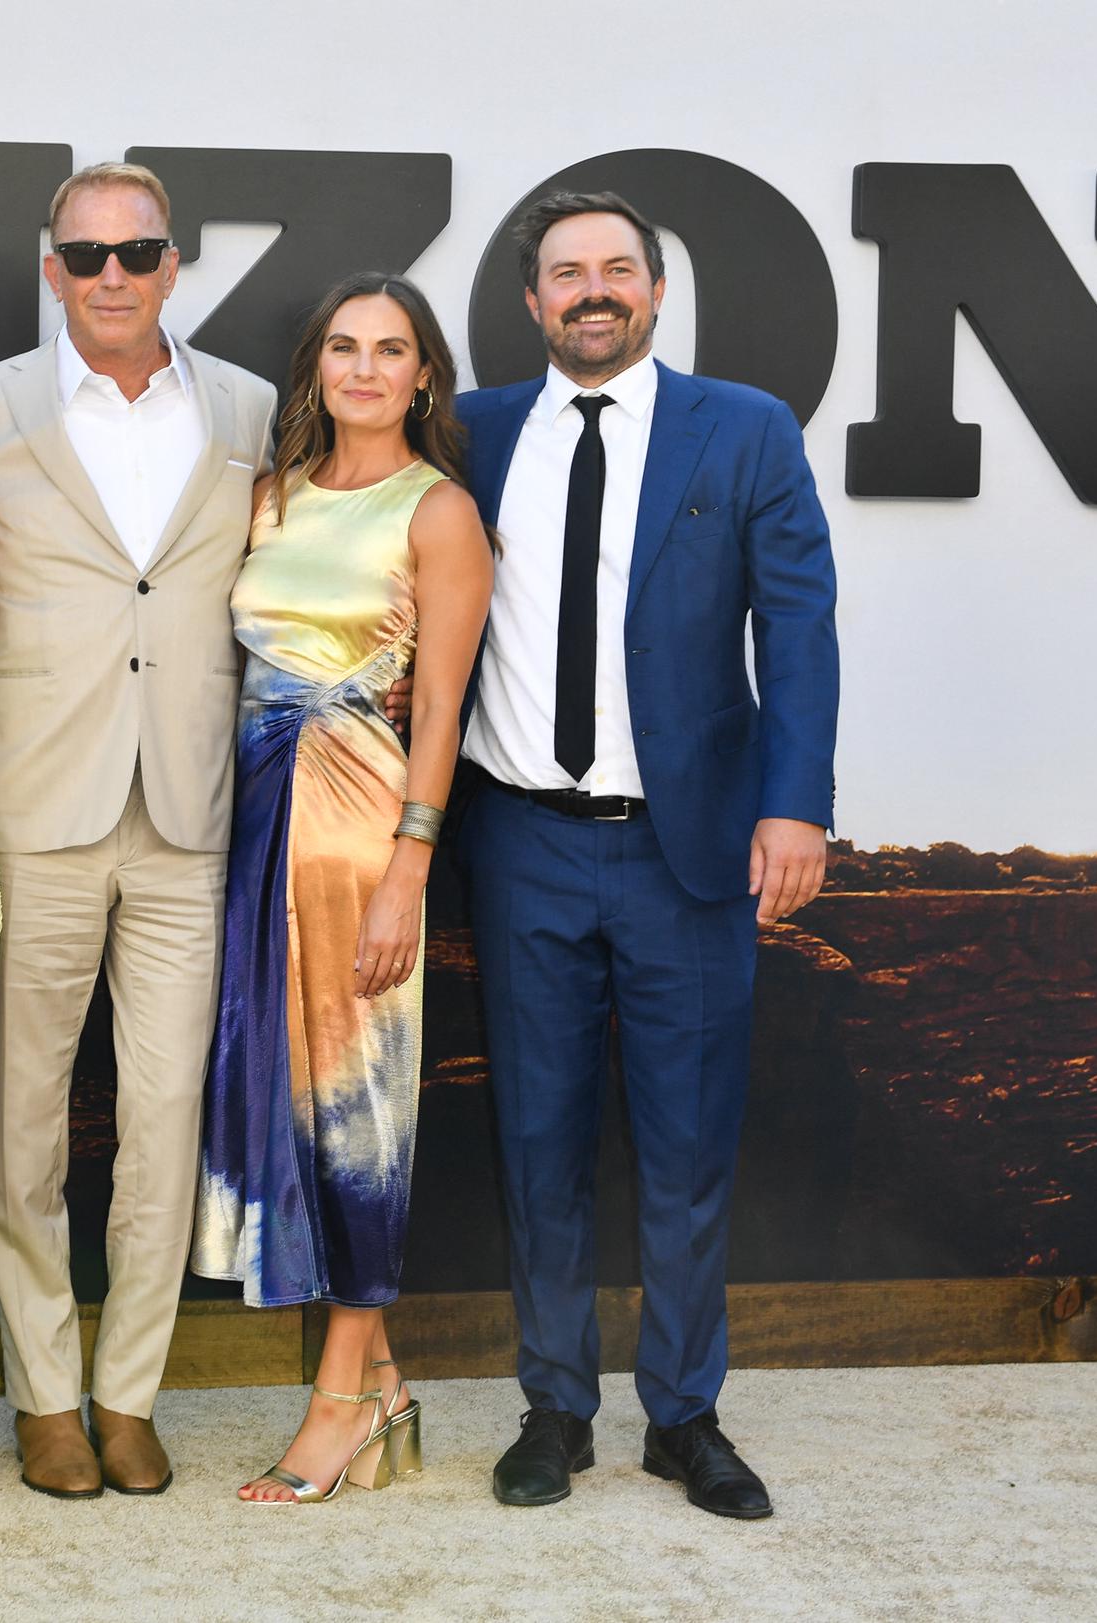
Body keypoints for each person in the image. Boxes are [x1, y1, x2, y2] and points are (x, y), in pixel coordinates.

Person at [452, 190, 838, 1519]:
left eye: (619, 269)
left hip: (689, 852)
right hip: (521, 842)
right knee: (536, 1138)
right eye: (569, 273)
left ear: (657, 294)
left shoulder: (744, 428)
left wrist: (795, 802)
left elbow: (798, 625)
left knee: (685, 1144)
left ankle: (685, 1415)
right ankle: (556, 1405)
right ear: (533, 302)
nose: (594, 290)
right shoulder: (472, 432)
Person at [0, 163, 278, 1498]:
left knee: (164, 1113)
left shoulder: (247, 407)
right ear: (51, 268)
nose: (112, 274)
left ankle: (128, 1389)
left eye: (136, 251)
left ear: (174, 262)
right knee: (20, 1118)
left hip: (188, 812)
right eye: (86, 254)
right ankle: (41, 1394)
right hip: (34, 803)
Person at [194, 275, 491, 1503]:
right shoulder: (268, 500)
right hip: (258, 829)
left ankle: (335, 1409)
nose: (365, 369)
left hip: (364, 833)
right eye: (344, 348)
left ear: (424, 375)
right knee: (292, 1104)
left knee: (359, 1118)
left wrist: (406, 875)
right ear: (316, 368)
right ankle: (388, 1391)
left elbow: (443, 712)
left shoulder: (441, 514)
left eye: (392, 350)